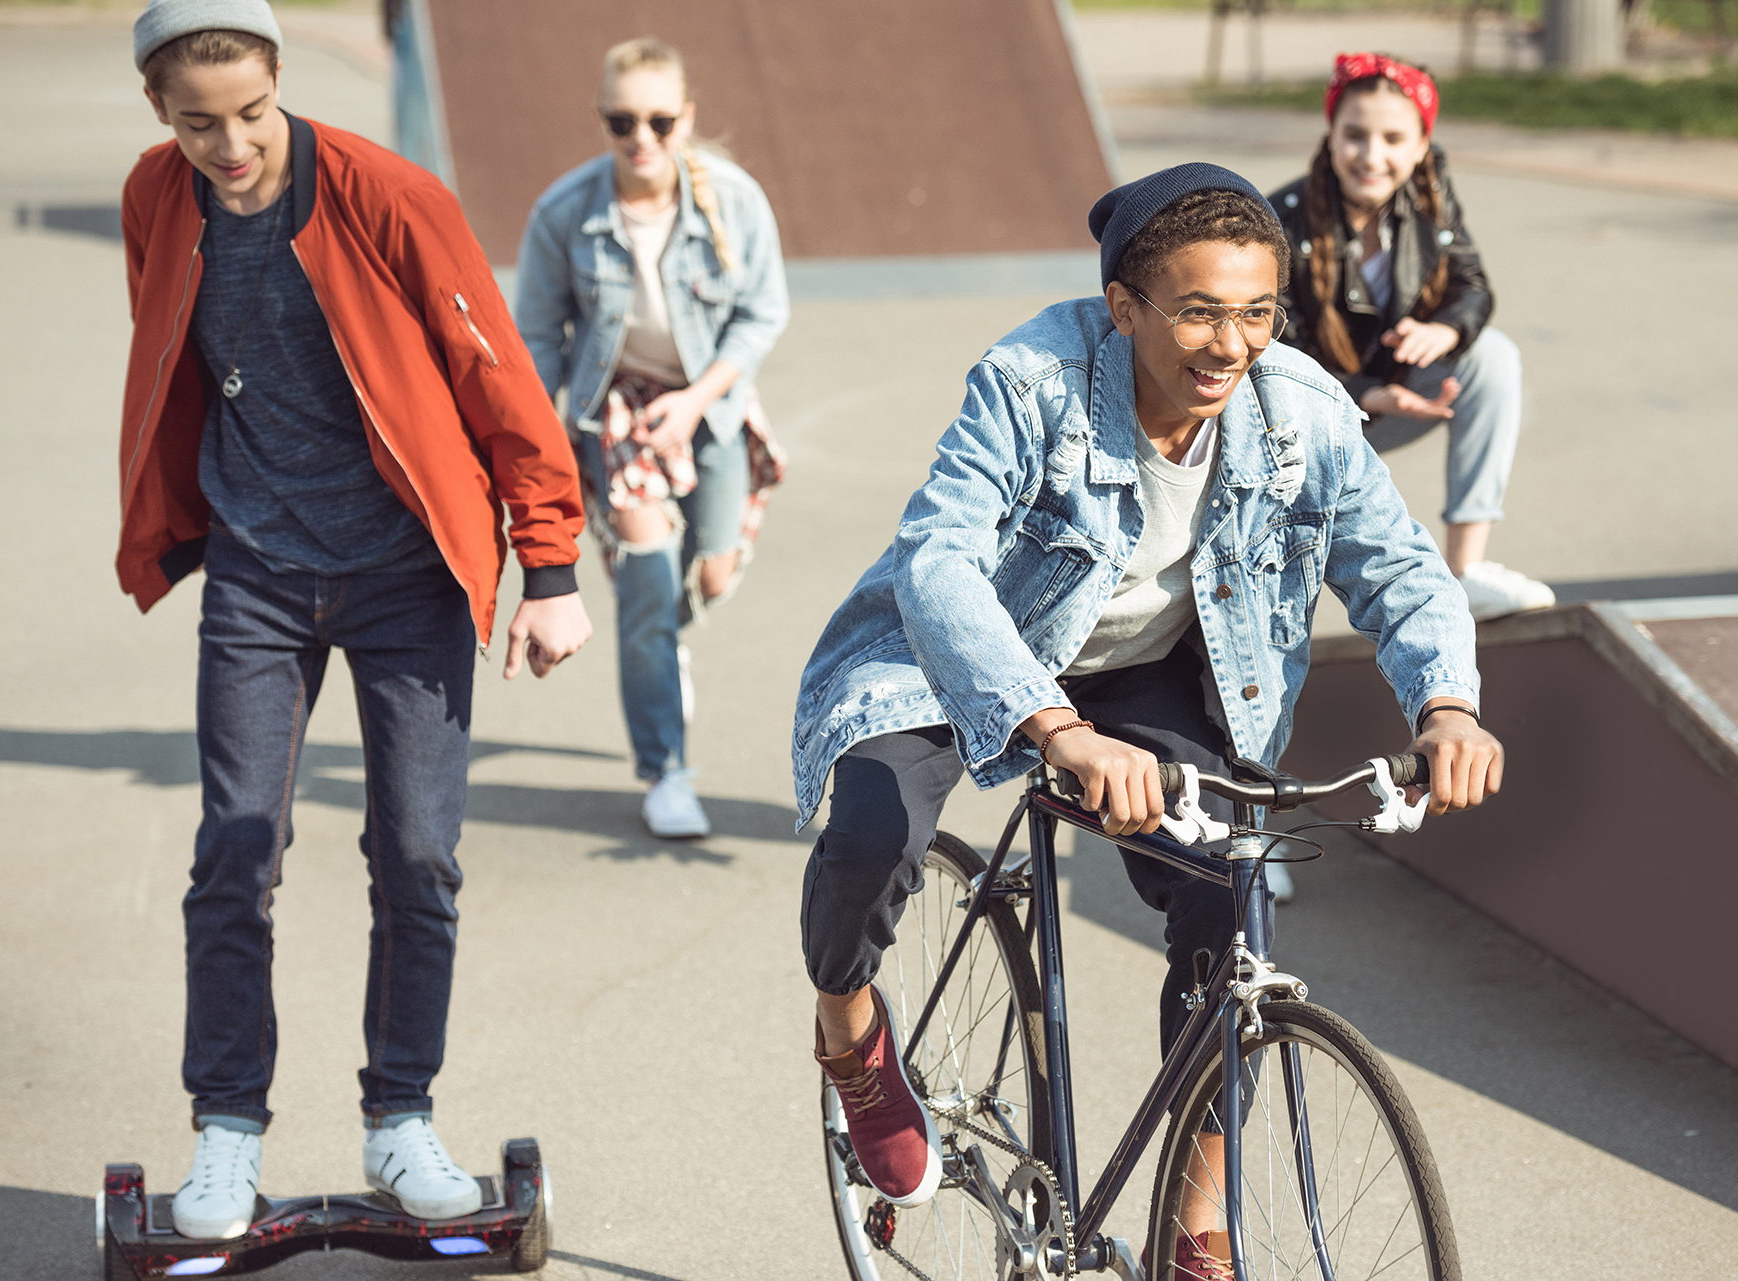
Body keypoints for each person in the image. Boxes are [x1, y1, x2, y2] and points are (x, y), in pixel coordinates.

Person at [790, 163, 1503, 1269]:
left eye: (1258, 312)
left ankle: (1195, 1219)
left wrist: (1447, 705)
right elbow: (939, 561)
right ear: (1125, 307)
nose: (1232, 343)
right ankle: (848, 1034)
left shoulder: (1300, 410)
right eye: (1201, 311)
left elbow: (1401, 569)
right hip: (955, 652)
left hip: (1137, 670)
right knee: (876, 829)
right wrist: (1054, 729)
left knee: (1231, 901)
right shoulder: (1033, 380)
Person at [119, 0, 592, 1240]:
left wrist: (548, 569)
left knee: (419, 854)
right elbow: (174, 350)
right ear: (161, 117)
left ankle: (401, 1118)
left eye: (253, 115)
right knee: (236, 843)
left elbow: (498, 374)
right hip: (259, 569)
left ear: (282, 83)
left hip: (406, 572)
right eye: (199, 125)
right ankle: (226, 1131)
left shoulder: (390, 197)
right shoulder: (156, 198)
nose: (232, 148)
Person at [515, 37, 789, 839]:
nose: (642, 138)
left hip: (713, 403)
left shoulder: (732, 199)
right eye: (622, 120)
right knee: (643, 577)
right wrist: (529, 448)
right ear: (601, 119)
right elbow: (535, 337)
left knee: (707, 572)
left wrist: (700, 398)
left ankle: (666, 641)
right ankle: (666, 769)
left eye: (660, 121)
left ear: (686, 119)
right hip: (619, 411)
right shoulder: (565, 213)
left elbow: (762, 311)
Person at [1269, 53, 1554, 621]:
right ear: (1331, 134)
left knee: (1493, 354)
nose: (1372, 156)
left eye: (1393, 138)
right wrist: (1361, 393)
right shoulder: (1286, 216)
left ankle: (1467, 571)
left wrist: (1443, 329)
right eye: (1354, 135)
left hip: (1399, 393)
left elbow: (1472, 287)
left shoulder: (1430, 199)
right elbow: (1275, 345)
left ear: (1421, 144)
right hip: (1307, 416)